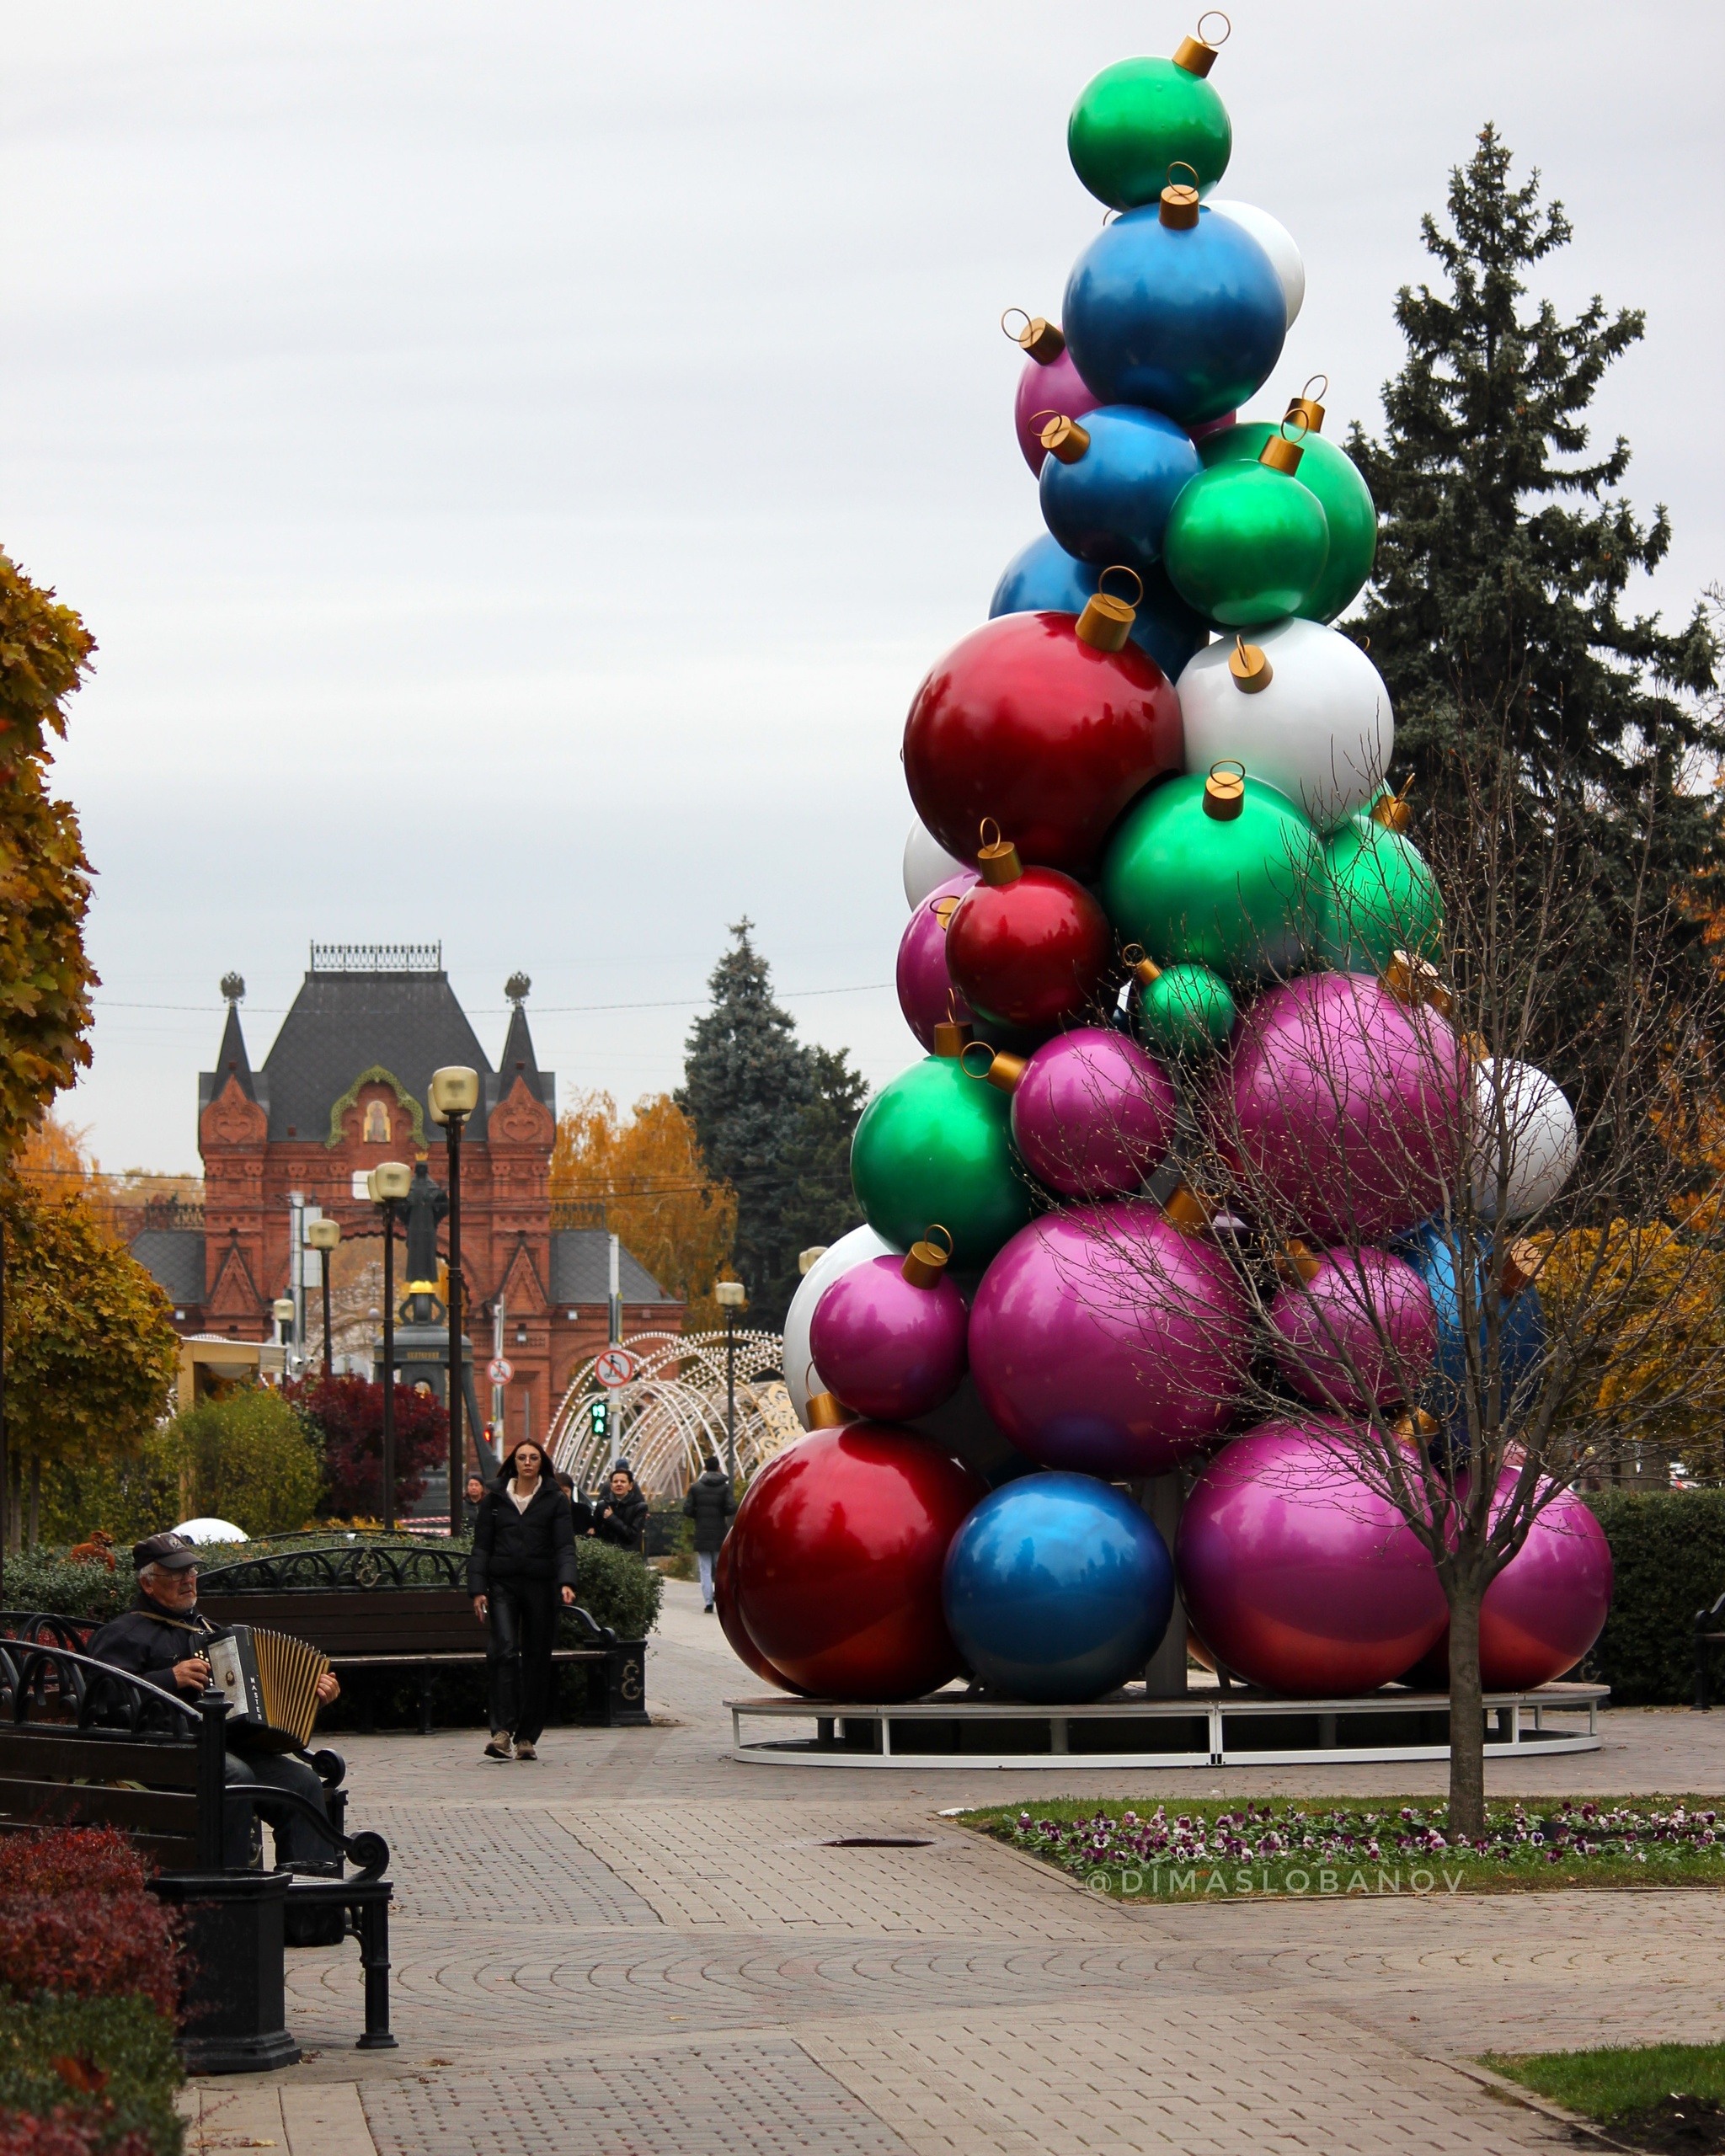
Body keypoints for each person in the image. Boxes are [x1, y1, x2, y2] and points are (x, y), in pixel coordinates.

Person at [88, 1533, 341, 1872]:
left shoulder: (210, 1630)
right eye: (175, 1574)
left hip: (222, 1746)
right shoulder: (124, 1634)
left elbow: (247, 1704)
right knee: (235, 1774)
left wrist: (310, 1698)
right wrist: (169, 1678)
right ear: (148, 1584)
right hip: (161, 1751)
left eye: (191, 1571)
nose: (188, 1580)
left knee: (302, 1782)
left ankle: (308, 1914)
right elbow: (98, 1698)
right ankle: (231, 1897)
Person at [467, 1437, 576, 1762]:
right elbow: (482, 1546)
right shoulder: (496, 1498)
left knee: (536, 1657)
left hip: (540, 1585)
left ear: (541, 1462)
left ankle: (527, 1736)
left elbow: (565, 1546)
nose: (527, 1462)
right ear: (513, 1463)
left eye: (533, 1457)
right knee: (502, 1650)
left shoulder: (554, 1499)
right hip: (502, 1585)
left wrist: (567, 1581)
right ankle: (501, 1733)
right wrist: (477, 1589)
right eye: (521, 1457)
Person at [681, 1455, 737, 1613]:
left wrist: (698, 1514)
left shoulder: (696, 1488)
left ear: (704, 1469)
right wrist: (721, 1512)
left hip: (702, 1533)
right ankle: (721, 1598)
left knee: (705, 1569)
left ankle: (708, 1602)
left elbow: (687, 1509)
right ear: (719, 1468)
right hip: (720, 1532)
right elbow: (732, 1507)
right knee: (720, 1568)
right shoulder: (725, 1488)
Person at [590, 1463, 648, 1551]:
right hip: (607, 1556)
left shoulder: (639, 1507)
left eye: (623, 1482)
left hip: (630, 1558)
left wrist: (611, 1518)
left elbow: (631, 1536)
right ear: (611, 1486)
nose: (619, 1484)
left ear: (630, 1486)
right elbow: (596, 1532)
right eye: (615, 1482)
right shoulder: (602, 1506)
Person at [554, 1470, 593, 1536]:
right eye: (559, 1491)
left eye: (566, 1491)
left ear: (571, 1492)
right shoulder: (547, 1512)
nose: (563, 1495)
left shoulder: (584, 1511)